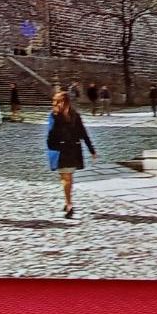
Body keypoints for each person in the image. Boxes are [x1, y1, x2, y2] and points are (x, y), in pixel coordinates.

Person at [46, 90, 96, 219]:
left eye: (54, 101)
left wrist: (50, 147)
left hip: (61, 150)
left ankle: (69, 204)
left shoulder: (54, 115)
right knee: (68, 177)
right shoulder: (75, 115)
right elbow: (83, 133)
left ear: (59, 102)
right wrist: (92, 150)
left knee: (65, 178)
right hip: (73, 149)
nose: (53, 103)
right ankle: (67, 200)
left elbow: (51, 133)